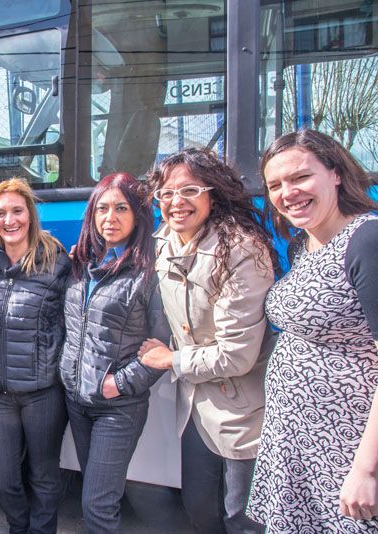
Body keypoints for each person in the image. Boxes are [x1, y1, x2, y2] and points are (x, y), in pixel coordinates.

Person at [139, 148, 278, 534]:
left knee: (241, 518)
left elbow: (236, 356)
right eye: (166, 193)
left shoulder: (242, 250)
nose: (175, 202)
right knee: (199, 508)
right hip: (196, 410)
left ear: (212, 194)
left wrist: (172, 361)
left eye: (189, 190)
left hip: (243, 412)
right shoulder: (164, 241)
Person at [247, 130, 378, 532]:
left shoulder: (366, 240)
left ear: (335, 174)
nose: (288, 193)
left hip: (346, 449)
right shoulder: (305, 245)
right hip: (298, 446)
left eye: (301, 177)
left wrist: (365, 471)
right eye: (275, 185)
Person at [58, 172, 170, 533]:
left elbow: (164, 346)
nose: (111, 218)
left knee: (97, 506)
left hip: (117, 407)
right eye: (102, 209)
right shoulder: (81, 266)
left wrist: (119, 384)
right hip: (78, 400)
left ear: (138, 214)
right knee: (99, 492)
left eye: (122, 208)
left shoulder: (150, 272)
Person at [0, 178, 71, 534]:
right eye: (0, 213)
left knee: (44, 476)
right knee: (3, 480)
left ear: (30, 215)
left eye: (17, 210)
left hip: (43, 392)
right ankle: (19, 526)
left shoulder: (57, 261)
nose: (9, 220)